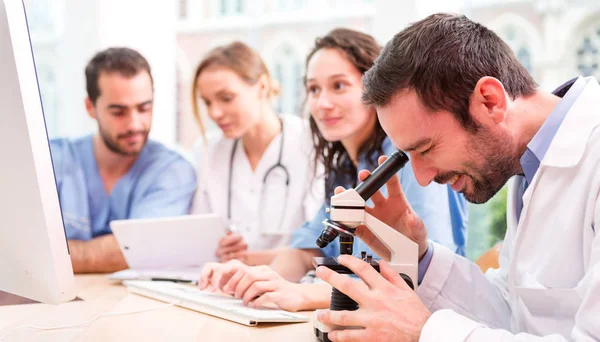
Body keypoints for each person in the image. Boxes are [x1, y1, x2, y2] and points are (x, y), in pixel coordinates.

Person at [314, 13, 600, 341]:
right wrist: (419, 255)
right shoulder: (527, 165)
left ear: (489, 101)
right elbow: (514, 312)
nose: (421, 179)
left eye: (426, 148)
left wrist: (423, 331)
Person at [197, 28, 469, 312]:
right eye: (314, 89)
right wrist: (258, 279)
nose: (322, 104)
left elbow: (423, 273)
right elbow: (306, 251)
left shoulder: (409, 159)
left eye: (339, 86)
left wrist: (301, 294)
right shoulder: (343, 170)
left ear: (376, 88)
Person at [50, 47, 197, 274]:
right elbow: (17, 244)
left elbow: (141, 250)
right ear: (91, 107)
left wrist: (53, 255)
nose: (134, 124)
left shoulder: (173, 171)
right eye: (119, 112)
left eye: (144, 108)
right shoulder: (53, 160)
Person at [190, 41, 323, 266]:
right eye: (207, 102)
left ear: (262, 87)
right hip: (226, 285)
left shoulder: (311, 144)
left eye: (226, 98)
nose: (215, 113)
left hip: (292, 285)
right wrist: (217, 248)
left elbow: (320, 245)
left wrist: (247, 259)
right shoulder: (208, 150)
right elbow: (197, 236)